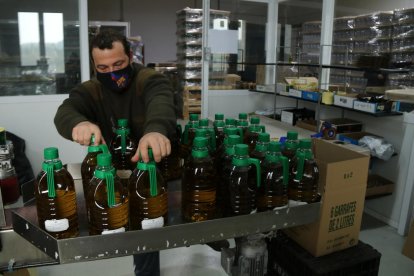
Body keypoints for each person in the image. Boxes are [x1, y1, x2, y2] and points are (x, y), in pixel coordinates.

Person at [54, 29, 176, 276]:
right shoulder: (90, 90)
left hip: (150, 171)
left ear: (130, 56)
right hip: (115, 176)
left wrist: (155, 131)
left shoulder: (149, 80)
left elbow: (161, 104)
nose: (112, 73)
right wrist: (78, 123)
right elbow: (65, 112)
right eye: (103, 68)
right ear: (94, 65)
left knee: (148, 231)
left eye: (118, 64)